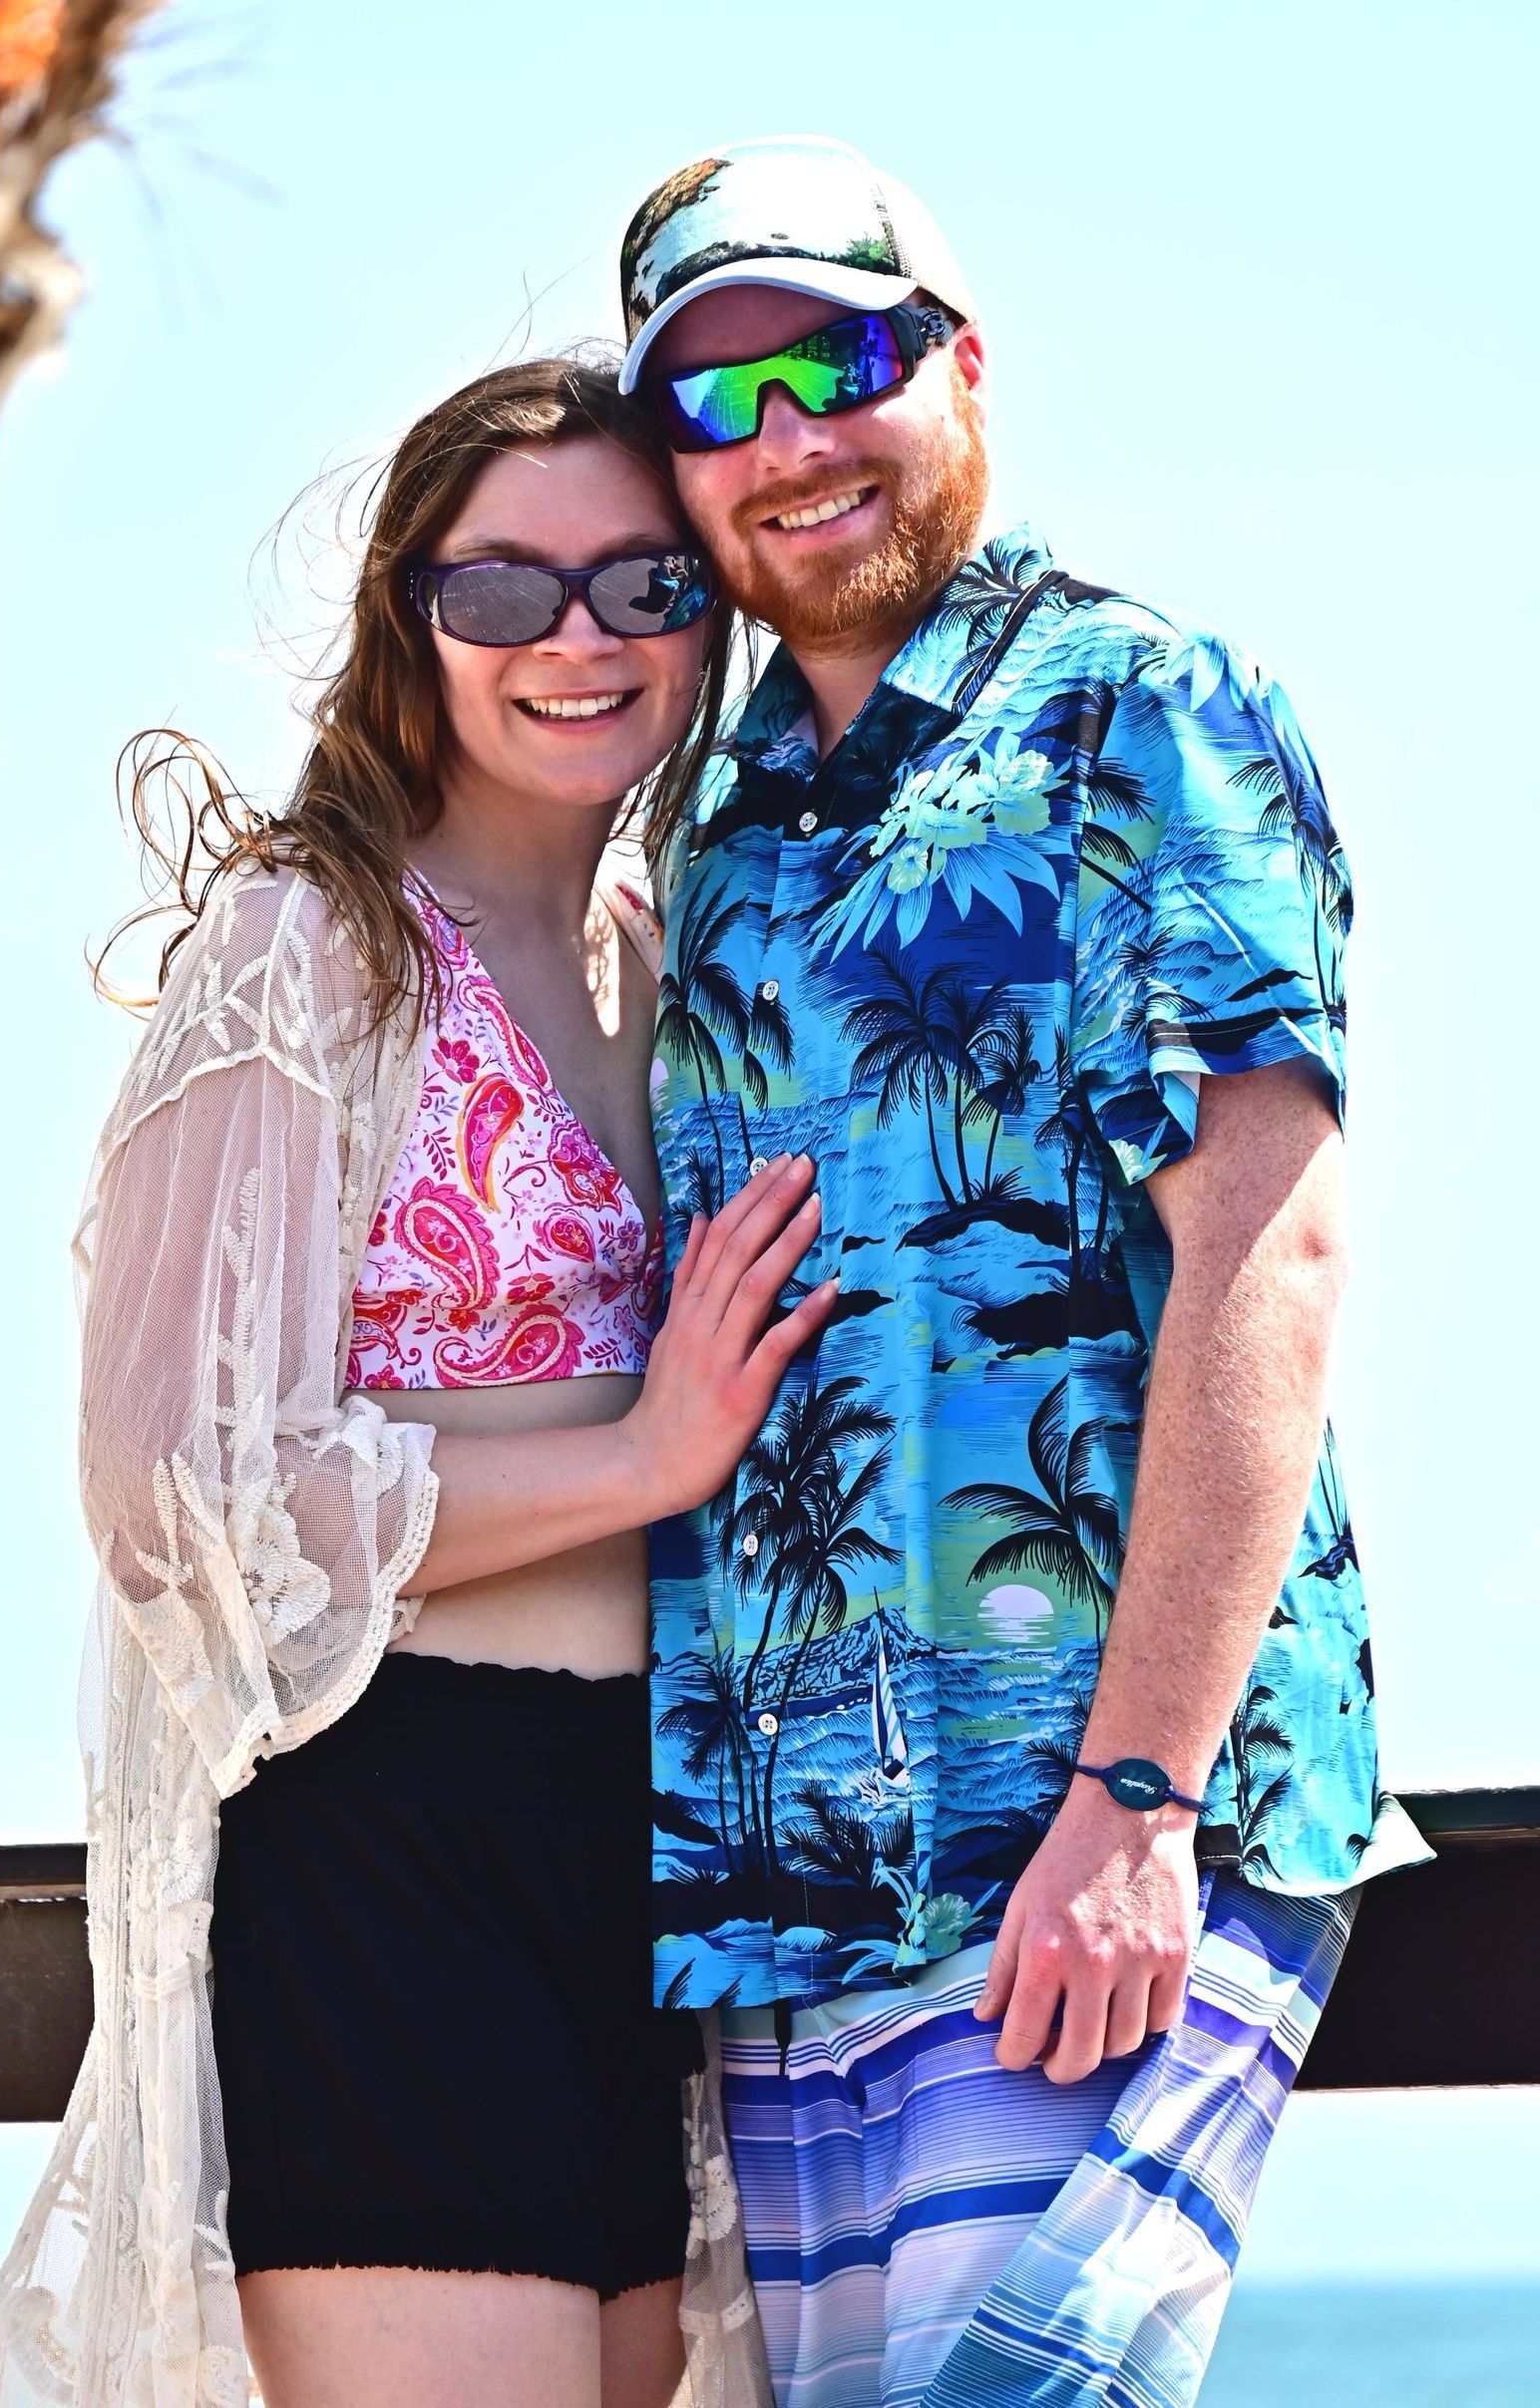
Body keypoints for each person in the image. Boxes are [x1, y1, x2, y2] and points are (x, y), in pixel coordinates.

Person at [613, 136, 1431, 2408]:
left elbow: (1271, 1247)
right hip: (795, 1882)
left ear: (961, 367)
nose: (788, 438)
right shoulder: (716, 825)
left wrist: (1140, 1795)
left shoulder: (1141, 709)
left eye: (839, 359)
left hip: (1094, 1839)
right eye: (716, 397)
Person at [0, 358, 833, 2408]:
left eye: (641, 583)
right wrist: (646, 1455)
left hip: (664, 1856)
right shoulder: (308, 944)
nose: (577, 640)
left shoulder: (682, 958)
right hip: (393, 1837)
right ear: (408, 621)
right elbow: (180, 1492)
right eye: (502, 589)